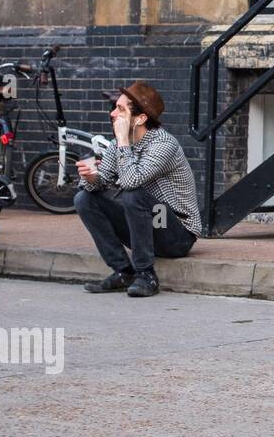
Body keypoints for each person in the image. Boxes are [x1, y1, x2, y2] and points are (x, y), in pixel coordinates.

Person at [74, 82, 201, 298]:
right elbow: (102, 182)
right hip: (145, 224)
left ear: (140, 118)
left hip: (176, 233)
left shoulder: (163, 144)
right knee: (83, 198)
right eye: (115, 107)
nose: (113, 113)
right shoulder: (118, 144)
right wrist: (92, 176)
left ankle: (146, 275)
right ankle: (123, 271)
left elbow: (132, 181)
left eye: (121, 109)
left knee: (133, 194)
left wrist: (123, 141)